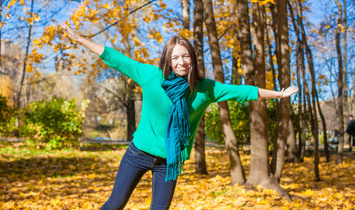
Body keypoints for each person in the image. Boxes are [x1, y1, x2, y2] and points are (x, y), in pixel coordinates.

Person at [60, 23, 298, 210]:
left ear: (192, 58)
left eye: (185, 56)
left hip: (169, 163)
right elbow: (117, 59)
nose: (181, 61)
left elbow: (242, 91)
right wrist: (81, 40)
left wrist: (278, 94)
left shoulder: (205, 88)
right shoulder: (152, 77)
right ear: (168, 61)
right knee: (115, 204)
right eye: (175, 57)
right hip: (138, 153)